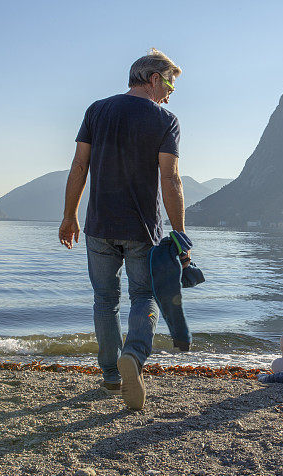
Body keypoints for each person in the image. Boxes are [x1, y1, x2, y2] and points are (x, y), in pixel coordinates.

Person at [59, 49, 185, 410]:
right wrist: (178, 233)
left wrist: (70, 216)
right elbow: (170, 177)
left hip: (98, 225)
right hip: (142, 228)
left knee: (105, 300)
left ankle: (112, 375)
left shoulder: (97, 110)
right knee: (145, 297)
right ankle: (133, 354)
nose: (171, 92)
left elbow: (79, 165)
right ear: (154, 79)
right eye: (171, 83)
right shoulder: (165, 120)